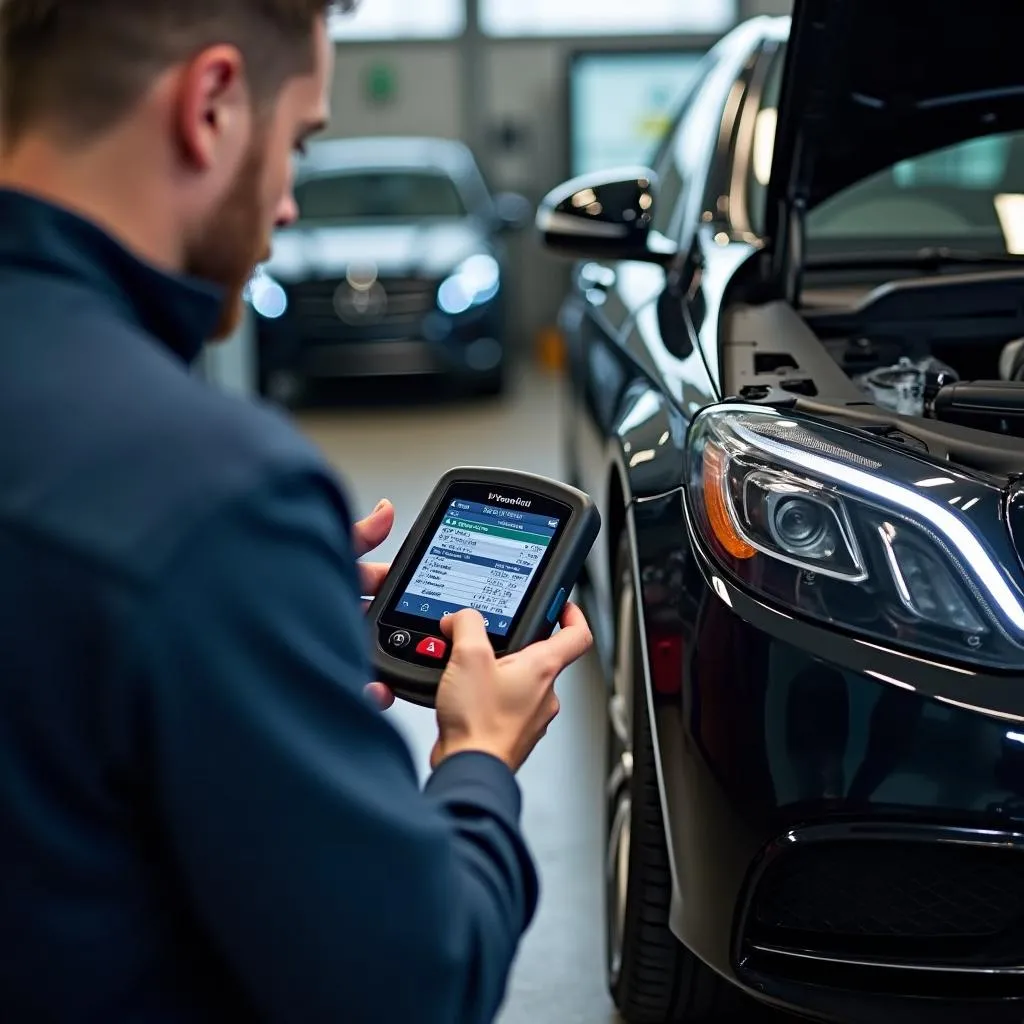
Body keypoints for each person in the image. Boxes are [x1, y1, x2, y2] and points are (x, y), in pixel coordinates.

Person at [0, 2, 594, 1022]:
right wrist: (477, 759)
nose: (284, 205)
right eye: (300, 142)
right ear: (214, 103)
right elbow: (415, 983)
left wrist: (241, 629)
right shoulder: (214, 490)